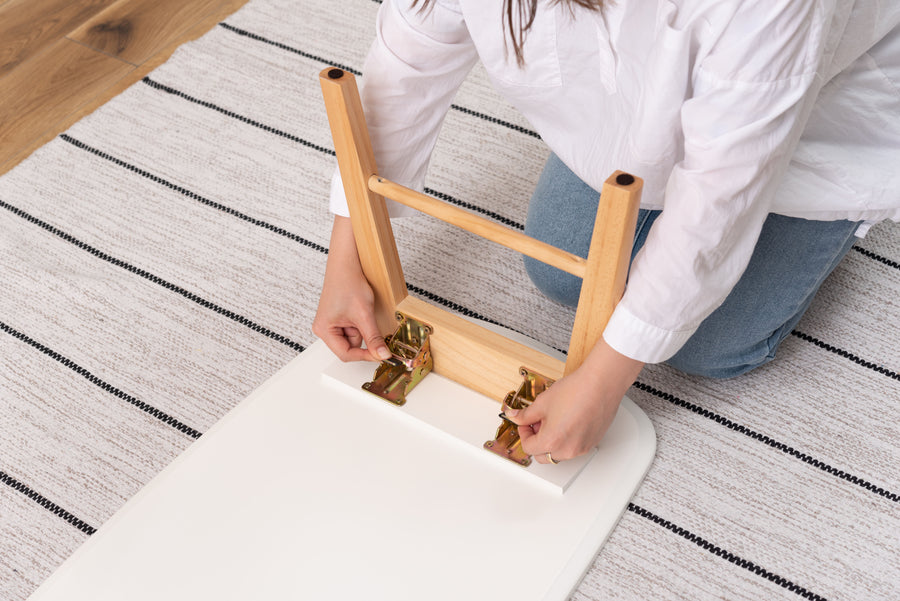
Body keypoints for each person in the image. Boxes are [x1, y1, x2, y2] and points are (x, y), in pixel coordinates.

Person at [313, 0, 900, 465]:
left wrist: (602, 384)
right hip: (633, 104)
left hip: (815, 113)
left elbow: (720, 200)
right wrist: (350, 255)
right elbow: (406, 70)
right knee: (558, 270)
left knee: (708, 346)